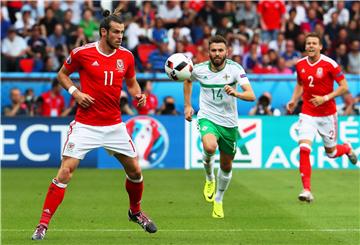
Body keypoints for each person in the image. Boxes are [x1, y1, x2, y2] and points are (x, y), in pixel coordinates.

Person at [31, 9, 157, 240]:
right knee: (65, 172)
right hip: (85, 125)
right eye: (116, 32)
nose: (120, 36)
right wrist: (75, 92)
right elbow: (62, 74)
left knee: (136, 171)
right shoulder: (82, 53)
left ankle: (136, 212)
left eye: (122, 32)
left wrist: (139, 95)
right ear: (103, 32)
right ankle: (42, 224)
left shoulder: (126, 56)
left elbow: (131, 82)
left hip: (114, 125)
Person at [184, 35, 255, 218]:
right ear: (208, 52)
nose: (217, 54)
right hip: (207, 117)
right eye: (214, 50)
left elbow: (251, 95)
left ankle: (218, 200)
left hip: (229, 123)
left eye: (220, 50)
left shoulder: (235, 69)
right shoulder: (198, 69)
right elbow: (187, 79)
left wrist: (236, 93)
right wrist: (187, 105)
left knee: (226, 165)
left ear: (227, 52)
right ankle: (209, 178)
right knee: (209, 146)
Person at [286, 32, 358, 203]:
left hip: (327, 114)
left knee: (331, 153)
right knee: (304, 148)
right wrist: (293, 99)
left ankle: (346, 148)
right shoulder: (300, 64)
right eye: (308, 43)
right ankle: (306, 190)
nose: (311, 46)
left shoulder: (330, 64)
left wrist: (325, 98)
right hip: (308, 112)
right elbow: (300, 84)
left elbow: (344, 87)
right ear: (305, 46)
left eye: (314, 43)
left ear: (320, 47)